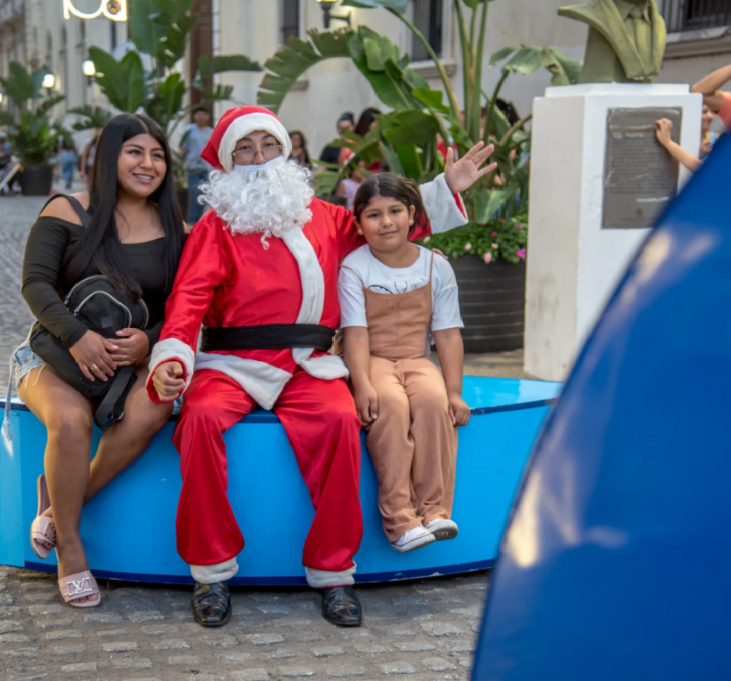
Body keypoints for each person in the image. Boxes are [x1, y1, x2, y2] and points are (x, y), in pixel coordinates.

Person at [147, 106, 494, 628]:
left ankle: (333, 572)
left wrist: (445, 187)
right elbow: (189, 297)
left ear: (288, 152)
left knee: (338, 421)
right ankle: (212, 572)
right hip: (232, 361)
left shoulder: (328, 218)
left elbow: (389, 227)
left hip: (310, 362)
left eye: (269, 146)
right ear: (226, 161)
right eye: (246, 149)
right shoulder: (215, 228)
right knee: (198, 420)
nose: (259, 158)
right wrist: (174, 353)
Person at [13, 114, 186, 607]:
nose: (147, 163)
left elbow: (183, 303)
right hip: (57, 354)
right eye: (135, 152)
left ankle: (59, 504)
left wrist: (149, 342)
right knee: (68, 423)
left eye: (157, 155)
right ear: (108, 157)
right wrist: (78, 337)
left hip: (130, 363)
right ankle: (70, 550)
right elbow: (36, 284)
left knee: (154, 408)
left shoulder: (175, 227)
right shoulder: (68, 211)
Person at [339, 174, 469, 554]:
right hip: (374, 359)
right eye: (374, 215)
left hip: (416, 358)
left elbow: (446, 333)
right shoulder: (354, 267)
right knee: (390, 406)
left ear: (413, 215)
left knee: (432, 402)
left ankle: (435, 510)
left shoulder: (435, 267)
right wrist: (361, 383)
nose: (387, 222)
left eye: (395, 211)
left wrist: (454, 391)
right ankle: (400, 520)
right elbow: (356, 334)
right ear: (359, 223)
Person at [180, 108, 214, 225]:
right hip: (192, 166)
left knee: (203, 195)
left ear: (208, 117)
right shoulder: (189, 130)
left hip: (207, 167)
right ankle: (191, 220)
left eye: (204, 114)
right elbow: (183, 147)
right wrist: (180, 163)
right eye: (198, 114)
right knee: (194, 192)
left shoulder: (211, 132)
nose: (201, 116)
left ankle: (200, 221)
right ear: (194, 116)